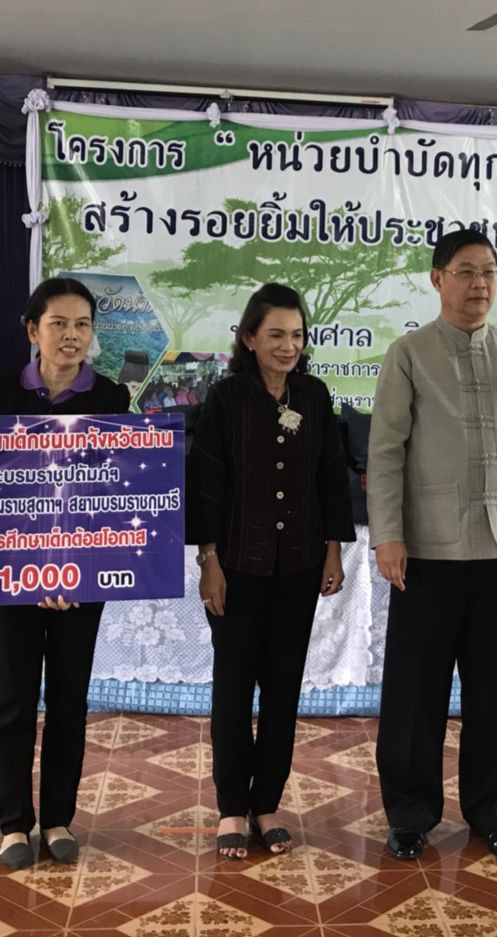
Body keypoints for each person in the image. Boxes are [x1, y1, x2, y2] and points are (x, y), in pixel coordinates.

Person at [368, 229, 497, 863]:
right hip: (425, 553)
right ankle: (410, 812)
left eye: (488, 271)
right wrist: (388, 535)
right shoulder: (408, 354)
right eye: (465, 271)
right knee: (414, 694)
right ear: (437, 279)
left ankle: (495, 812)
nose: (479, 283)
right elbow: (385, 451)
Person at [186, 283, 354, 860]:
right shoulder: (226, 399)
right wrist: (208, 561)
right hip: (236, 566)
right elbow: (204, 486)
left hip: (301, 567)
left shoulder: (314, 393)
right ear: (249, 338)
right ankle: (233, 805)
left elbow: (332, 478)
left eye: (297, 335)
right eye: (275, 334)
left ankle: (268, 803)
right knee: (234, 689)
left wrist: (334, 550)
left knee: (282, 689)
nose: (288, 346)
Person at [0, 278, 131, 870]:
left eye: (82, 326)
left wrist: (76, 571)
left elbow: (118, 493)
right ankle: (14, 824)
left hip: (81, 581)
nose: (72, 337)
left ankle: (59, 820)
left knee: (69, 702)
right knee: (14, 701)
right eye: (59, 324)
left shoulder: (113, 400)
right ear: (31, 329)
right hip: (11, 578)